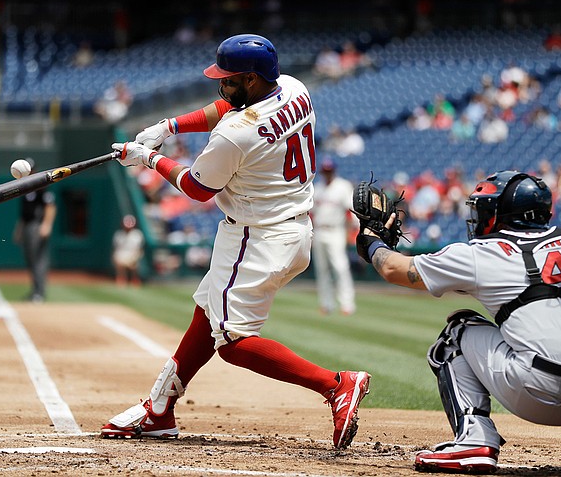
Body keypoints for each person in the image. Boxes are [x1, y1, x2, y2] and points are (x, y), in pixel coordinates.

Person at [101, 33, 371, 449]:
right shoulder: (295, 88)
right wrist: (169, 126)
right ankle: (159, 408)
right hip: (289, 228)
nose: (221, 85)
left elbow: (196, 187)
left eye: (229, 79)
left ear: (250, 79)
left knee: (232, 341)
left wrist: (149, 158)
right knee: (207, 309)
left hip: (257, 236)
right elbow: (231, 105)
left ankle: (336, 385)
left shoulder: (235, 135)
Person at [356, 170, 561, 473]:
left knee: (457, 330)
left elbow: (394, 269)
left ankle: (474, 440)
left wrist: (372, 242)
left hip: (539, 395)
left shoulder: (481, 254)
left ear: (498, 213)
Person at [311, 158, 357, 315]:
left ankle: (347, 304)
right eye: (325, 171)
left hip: (336, 230)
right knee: (322, 270)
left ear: (334, 171)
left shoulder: (343, 186)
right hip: (319, 230)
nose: (327, 173)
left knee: (340, 267)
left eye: (329, 170)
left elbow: (351, 211)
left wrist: (351, 232)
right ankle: (326, 304)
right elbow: (311, 213)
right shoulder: (317, 188)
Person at [13, 158, 57, 302]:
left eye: (31, 170)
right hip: (27, 225)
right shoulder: (24, 186)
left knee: (38, 259)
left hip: (36, 225)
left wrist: (46, 225)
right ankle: (35, 291)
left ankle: (39, 293)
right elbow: (24, 212)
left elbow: (50, 205)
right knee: (30, 259)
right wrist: (19, 229)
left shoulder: (40, 184)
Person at [112, 214, 145, 287]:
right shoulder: (118, 234)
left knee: (135, 260)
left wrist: (136, 256)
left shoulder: (137, 234)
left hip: (133, 255)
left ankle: (135, 279)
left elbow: (140, 249)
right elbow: (115, 249)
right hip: (122, 255)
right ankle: (121, 279)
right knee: (118, 258)